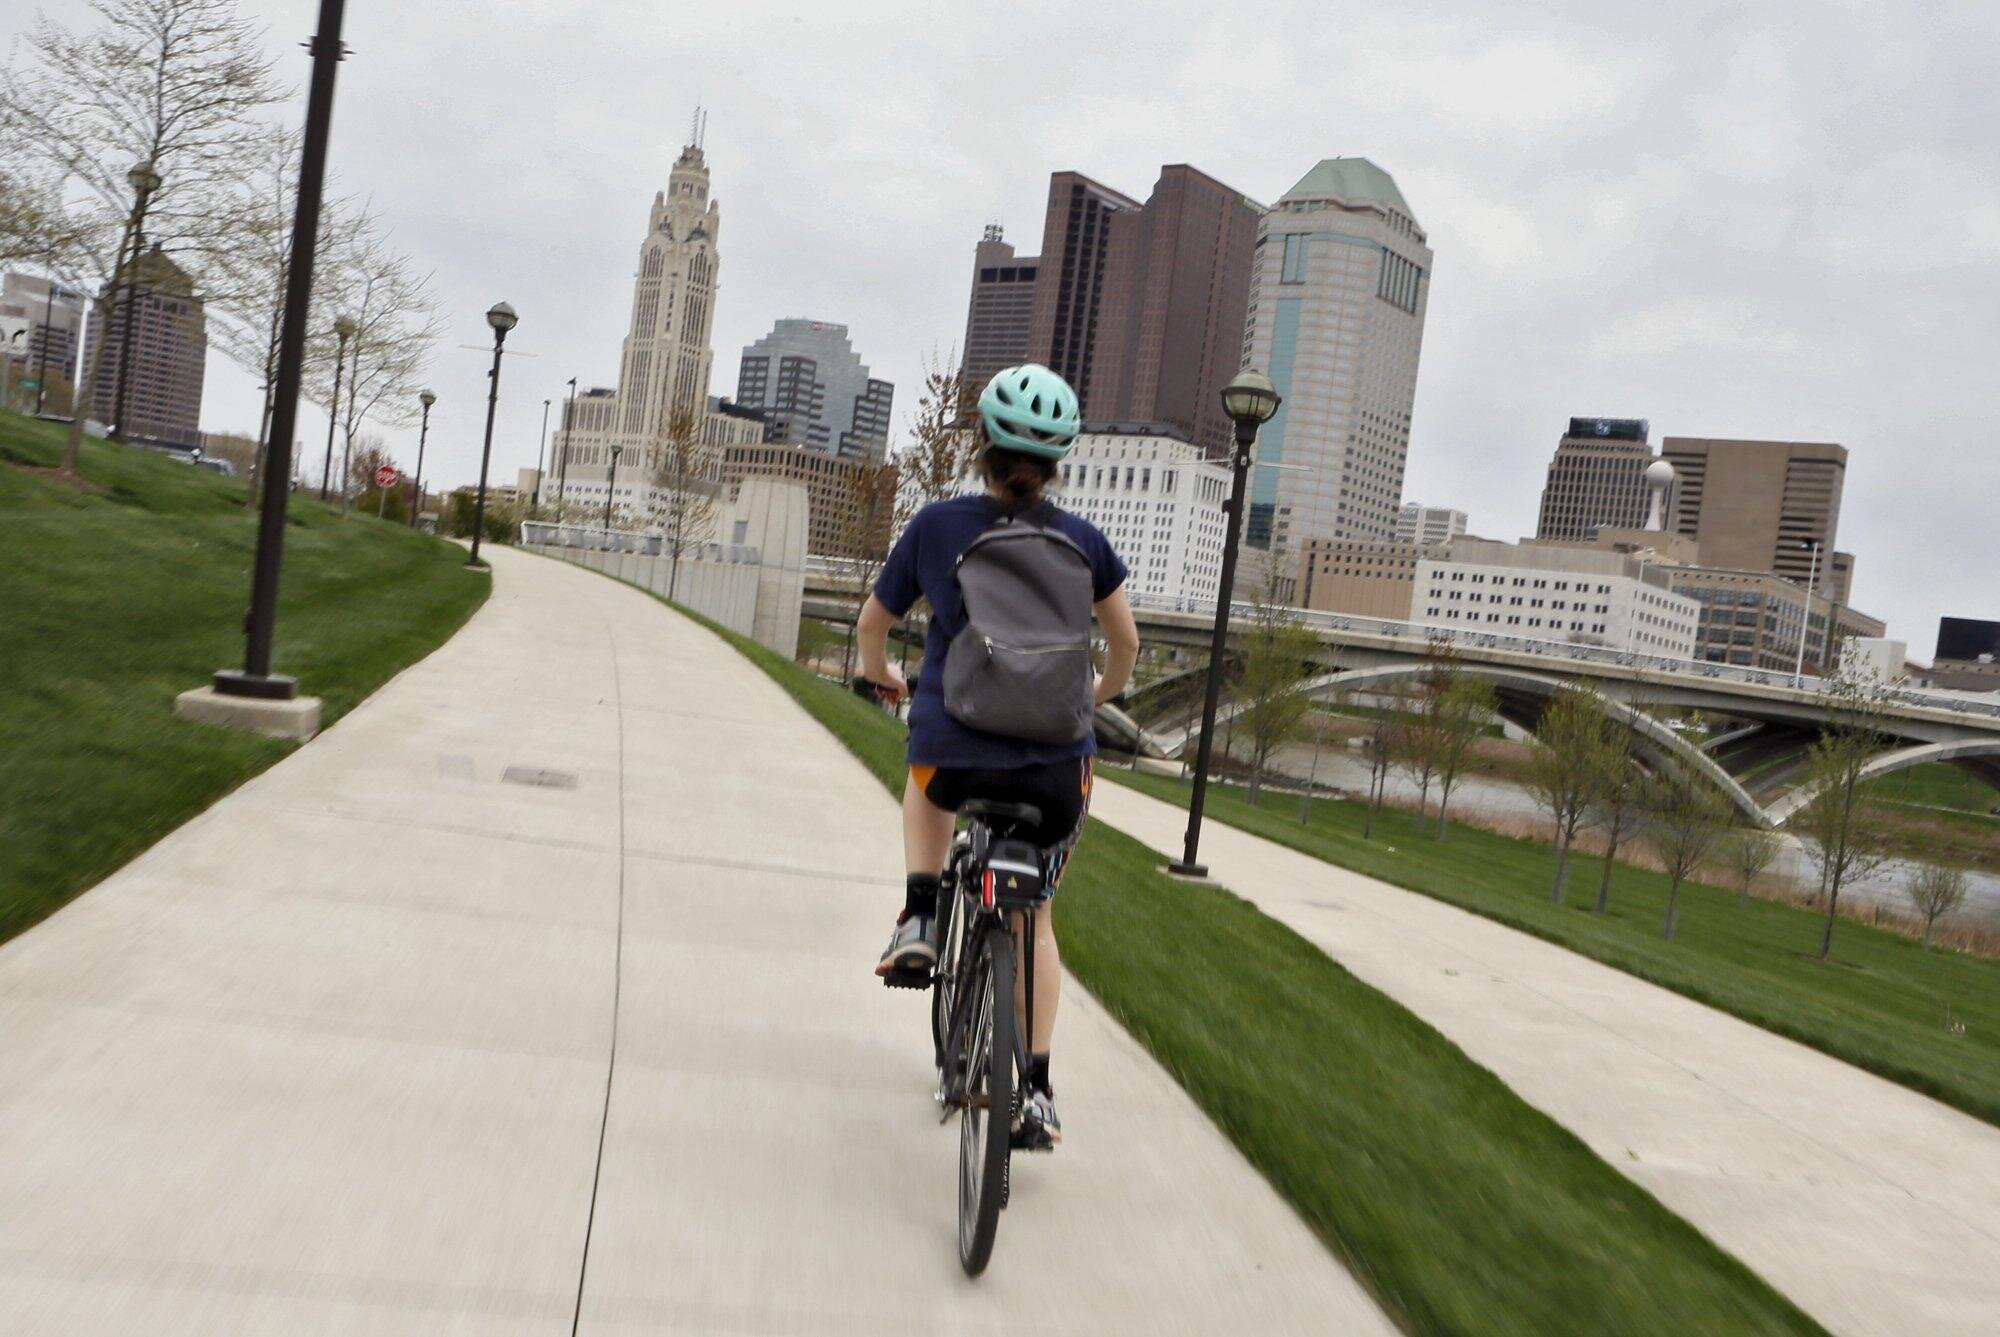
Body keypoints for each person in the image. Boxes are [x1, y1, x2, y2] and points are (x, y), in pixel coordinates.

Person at [855, 362, 1138, 1150]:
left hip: (956, 745)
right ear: (1056, 462)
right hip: (1054, 767)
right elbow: (1126, 645)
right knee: (1036, 916)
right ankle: (1038, 1090)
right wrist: (1096, 696)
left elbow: (871, 625)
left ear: (981, 444)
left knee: (927, 783)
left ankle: (918, 912)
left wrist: (883, 675)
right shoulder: (1085, 543)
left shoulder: (937, 525)